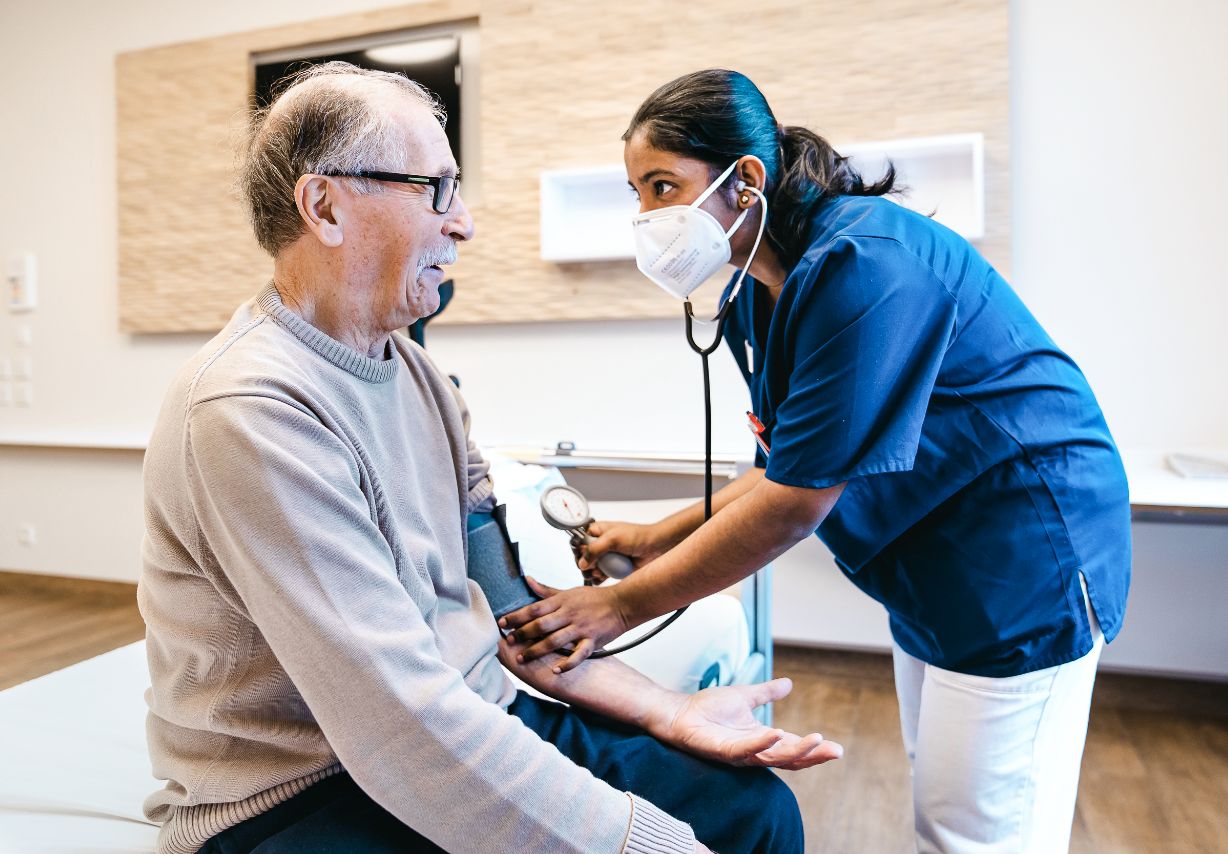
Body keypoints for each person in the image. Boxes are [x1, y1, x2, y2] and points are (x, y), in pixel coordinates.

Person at [137, 62, 843, 854]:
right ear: (325, 205)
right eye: (436, 188)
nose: (464, 222)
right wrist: (645, 844)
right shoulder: (250, 410)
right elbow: (395, 718)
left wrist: (666, 711)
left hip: (462, 714)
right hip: (298, 794)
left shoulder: (421, 376)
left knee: (754, 815)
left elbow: (515, 621)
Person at [502, 68, 1132, 854]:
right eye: (637, 194)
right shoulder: (760, 293)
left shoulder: (868, 265)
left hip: (1021, 555)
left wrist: (620, 608)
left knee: (981, 832)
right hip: (934, 565)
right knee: (943, 794)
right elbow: (784, 464)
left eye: (662, 187)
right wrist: (654, 535)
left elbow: (797, 501)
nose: (646, 217)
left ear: (746, 181)